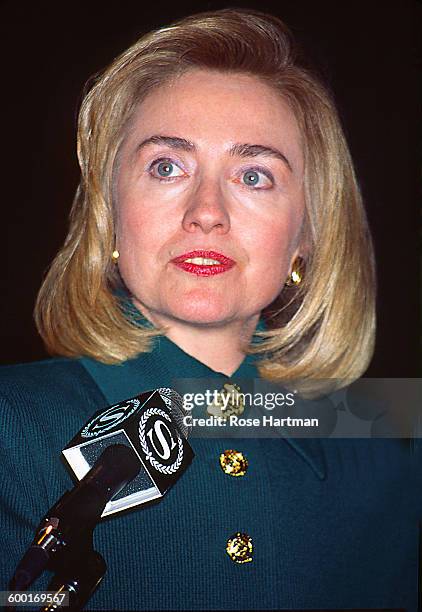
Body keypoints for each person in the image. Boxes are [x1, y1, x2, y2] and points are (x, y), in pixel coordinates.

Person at [0, 8, 420, 611]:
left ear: (307, 233)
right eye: (166, 166)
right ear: (110, 215)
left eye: (254, 176)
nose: (207, 211)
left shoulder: (391, 442)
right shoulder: (12, 429)